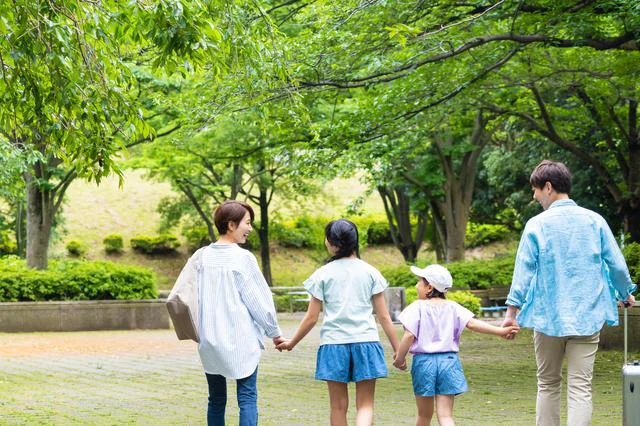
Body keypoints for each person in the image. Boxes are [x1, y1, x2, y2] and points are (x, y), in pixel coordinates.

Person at [502, 160, 637, 426]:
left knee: (548, 383)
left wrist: (511, 311)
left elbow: (524, 271)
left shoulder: (536, 225)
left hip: (547, 316)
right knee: (580, 387)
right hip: (587, 316)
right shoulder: (594, 221)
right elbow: (618, 266)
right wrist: (625, 293)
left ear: (548, 187)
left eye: (536, 190)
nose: (534, 196)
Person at [276, 219, 400, 426]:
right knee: (365, 406)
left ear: (332, 243)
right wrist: (398, 350)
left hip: (333, 345)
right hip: (366, 342)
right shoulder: (370, 272)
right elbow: (384, 317)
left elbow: (311, 318)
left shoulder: (322, 274)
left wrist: (291, 343)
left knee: (338, 407)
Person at [191, 200, 283, 426]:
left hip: (209, 338)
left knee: (216, 399)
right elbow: (258, 301)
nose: (250, 228)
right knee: (247, 397)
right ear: (231, 225)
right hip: (240, 339)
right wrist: (274, 332)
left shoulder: (201, 256)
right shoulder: (243, 258)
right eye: (247, 223)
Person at [392, 264, 519, 426]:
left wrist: (399, 358)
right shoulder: (453, 307)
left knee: (424, 416)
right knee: (446, 416)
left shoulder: (416, 307)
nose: (416, 285)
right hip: (449, 362)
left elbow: (409, 335)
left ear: (429, 287)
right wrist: (500, 331)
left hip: (424, 363)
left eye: (419, 282)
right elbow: (472, 324)